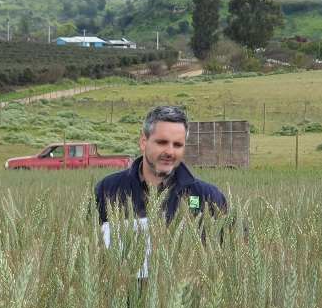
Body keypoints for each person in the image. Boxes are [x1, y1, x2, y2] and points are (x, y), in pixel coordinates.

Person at [94, 105, 227, 277]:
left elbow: (234, 245)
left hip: (183, 300)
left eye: (178, 145)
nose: (170, 151)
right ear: (143, 142)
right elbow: (87, 245)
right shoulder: (108, 189)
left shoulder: (207, 196)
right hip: (120, 299)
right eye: (162, 142)